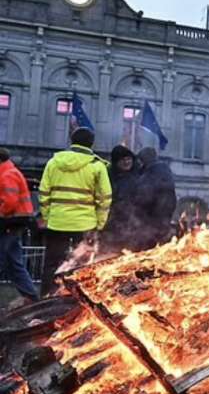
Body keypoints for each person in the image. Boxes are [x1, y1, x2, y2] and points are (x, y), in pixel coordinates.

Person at [40, 127, 112, 295]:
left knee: (52, 263)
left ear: (71, 141)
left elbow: (44, 194)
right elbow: (105, 198)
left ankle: (47, 297)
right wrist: (100, 223)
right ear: (91, 143)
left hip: (58, 223)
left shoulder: (53, 163)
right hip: (85, 224)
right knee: (85, 265)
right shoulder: (96, 166)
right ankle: (79, 301)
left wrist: (48, 216)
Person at [0, 148, 38, 303]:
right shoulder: (9, 171)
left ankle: (31, 296)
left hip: (9, 222)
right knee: (13, 263)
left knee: (6, 260)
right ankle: (31, 296)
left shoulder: (7, 174)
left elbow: (9, 202)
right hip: (14, 223)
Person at [132, 147, 177, 251]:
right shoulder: (163, 171)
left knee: (149, 249)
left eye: (141, 160)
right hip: (161, 219)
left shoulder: (152, 173)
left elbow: (144, 196)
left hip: (153, 220)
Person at [100, 145, 139, 253]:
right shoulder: (108, 176)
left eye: (128, 159)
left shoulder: (138, 174)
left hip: (133, 224)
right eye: (122, 160)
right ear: (116, 162)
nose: (126, 162)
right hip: (112, 223)